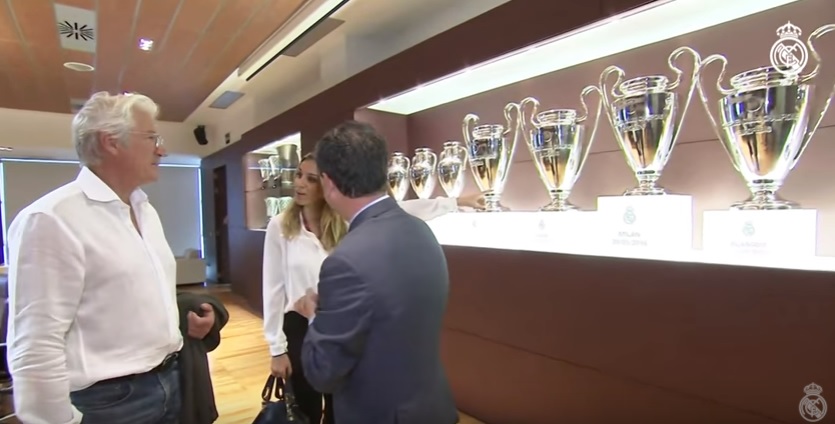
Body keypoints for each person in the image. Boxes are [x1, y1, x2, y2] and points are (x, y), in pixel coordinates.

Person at [5, 91, 216, 424]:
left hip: (172, 381)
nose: (162, 149)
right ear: (111, 142)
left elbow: (133, 291)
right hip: (109, 404)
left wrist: (177, 319)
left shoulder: (145, 211)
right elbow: (35, 345)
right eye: (152, 138)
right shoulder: (51, 219)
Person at [263, 152, 482, 424]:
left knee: (339, 402)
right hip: (297, 326)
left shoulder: (346, 223)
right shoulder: (280, 226)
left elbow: (398, 209)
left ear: (328, 185)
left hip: (340, 320)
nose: (300, 184)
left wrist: (454, 202)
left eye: (311, 179)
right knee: (303, 407)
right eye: (298, 175)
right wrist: (276, 348)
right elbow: (272, 288)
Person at [294, 121, 459, 424]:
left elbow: (322, 373)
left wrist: (315, 314)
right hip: (433, 407)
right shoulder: (421, 230)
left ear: (328, 183)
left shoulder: (345, 261)